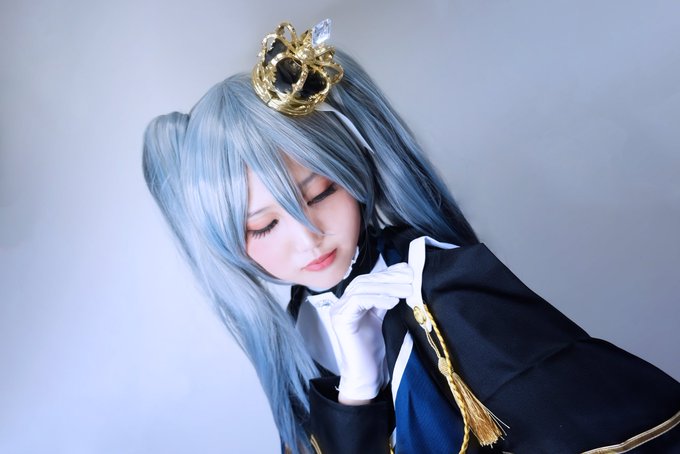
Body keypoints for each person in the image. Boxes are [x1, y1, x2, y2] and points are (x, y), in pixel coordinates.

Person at [143, 20, 679, 454]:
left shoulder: (441, 284)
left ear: (354, 174)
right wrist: (357, 390)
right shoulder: (294, 334)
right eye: (263, 226)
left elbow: (601, 422)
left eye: (321, 192)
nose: (308, 239)